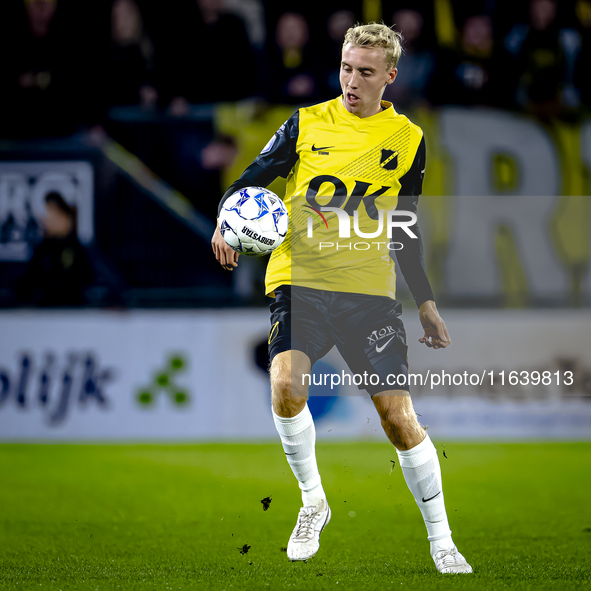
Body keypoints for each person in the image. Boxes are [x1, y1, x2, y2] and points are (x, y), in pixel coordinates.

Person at [211, 23, 472, 574]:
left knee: (398, 419)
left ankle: (442, 540)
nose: (352, 81)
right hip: (299, 279)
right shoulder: (306, 123)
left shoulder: (407, 141)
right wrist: (225, 221)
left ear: (390, 77)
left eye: (365, 72)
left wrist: (424, 300)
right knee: (285, 384)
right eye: (347, 68)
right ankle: (313, 500)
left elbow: (405, 226)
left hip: (367, 292)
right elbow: (251, 179)